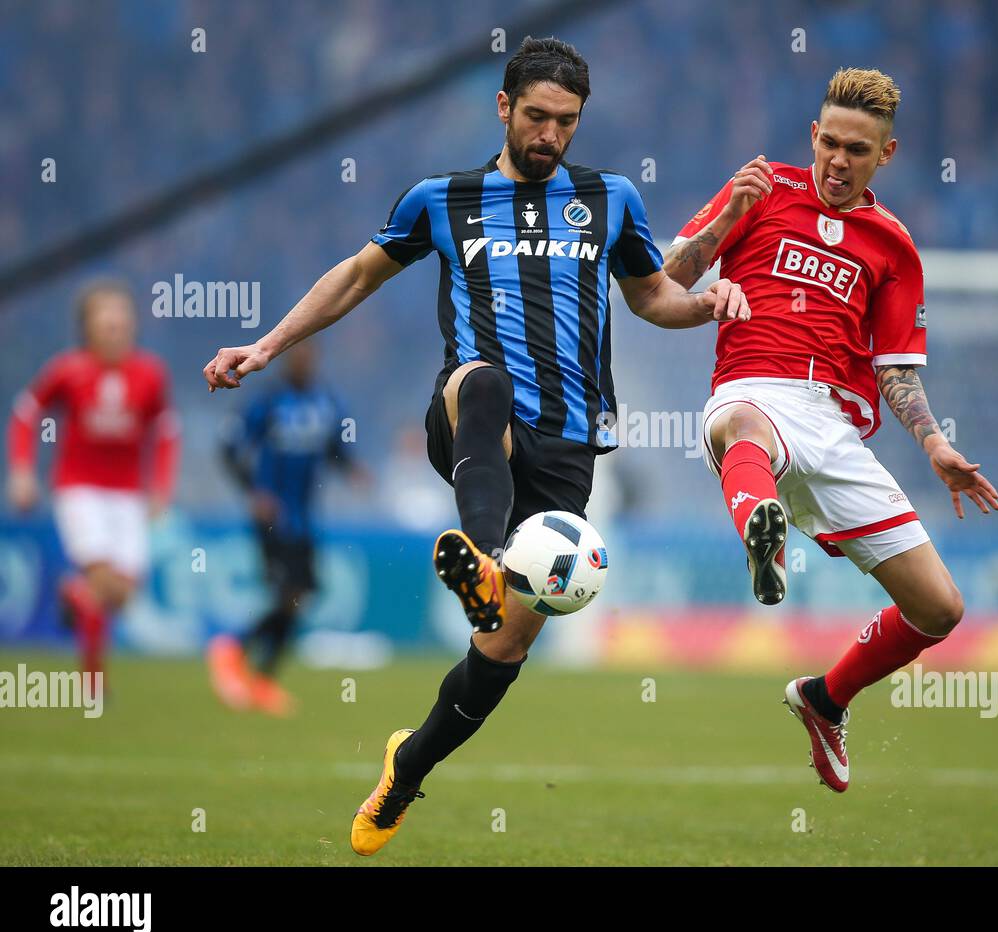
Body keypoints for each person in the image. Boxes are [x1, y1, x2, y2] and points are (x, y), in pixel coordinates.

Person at [202, 37, 750, 854]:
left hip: (567, 448)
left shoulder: (611, 200)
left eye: (566, 121)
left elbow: (650, 299)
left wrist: (707, 302)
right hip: (471, 424)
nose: (550, 135)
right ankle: (485, 556)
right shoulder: (442, 198)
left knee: (501, 653)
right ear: (503, 107)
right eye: (536, 116)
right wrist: (267, 347)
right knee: (480, 379)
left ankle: (406, 771)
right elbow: (355, 276)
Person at [663, 68, 998, 793]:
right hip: (753, 387)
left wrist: (935, 443)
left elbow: (897, 370)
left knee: (939, 608)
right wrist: (728, 221)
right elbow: (666, 278)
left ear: (888, 154)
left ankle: (824, 698)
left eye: (858, 150)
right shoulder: (759, 189)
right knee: (741, 426)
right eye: (830, 144)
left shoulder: (892, 245)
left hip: (837, 431)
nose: (839, 161)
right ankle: (767, 532)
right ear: (812, 137)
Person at [6, 280, 179, 697]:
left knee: (122, 592)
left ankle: (75, 593)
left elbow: (167, 431)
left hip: (127, 495)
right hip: (79, 489)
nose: (116, 328)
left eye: (122, 320)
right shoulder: (69, 370)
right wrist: (22, 470)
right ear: (89, 328)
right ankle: (93, 684)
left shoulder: (150, 374)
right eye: (107, 321)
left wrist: (161, 487)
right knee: (102, 576)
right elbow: (26, 413)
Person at [208, 341, 362, 716]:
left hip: (305, 517)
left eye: (311, 354)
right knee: (288, 593)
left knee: (299, 597)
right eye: (299, 354)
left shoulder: (324, 401)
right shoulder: (268, 401)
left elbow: (332, 448)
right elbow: (229, 449)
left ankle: (260, 679)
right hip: (273, 516)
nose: (305, 360)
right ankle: (233, 648)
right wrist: (254, 491)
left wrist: (352, 469)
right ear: (285, 358)